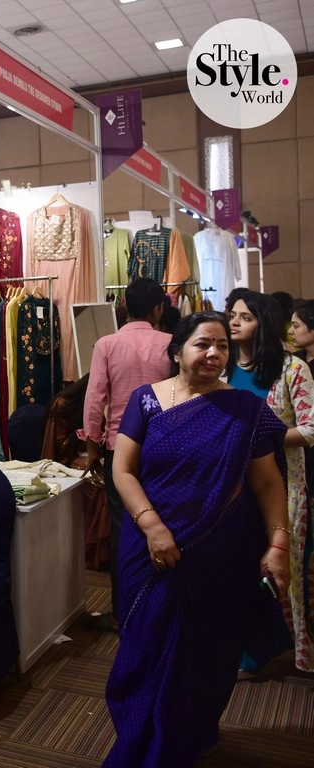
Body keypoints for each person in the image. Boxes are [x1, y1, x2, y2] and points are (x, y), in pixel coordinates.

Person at [103, 312, 290, 767]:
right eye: (203, 343)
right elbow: (122, 470)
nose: (214, 353)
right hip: (151, 549)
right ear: (177, 352)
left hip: (221, 552)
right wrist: (153, 527)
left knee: (210, 650)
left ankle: (192, 732)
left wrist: (278, 546)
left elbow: (268, 484)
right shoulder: (147, 400)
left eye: (222, 346)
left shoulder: (246, 410)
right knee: (146, 645)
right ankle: (144, 740)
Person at [228, 291, 314, 673]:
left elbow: (310, 429)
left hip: (282, 487)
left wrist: (262, 440)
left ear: (263, 323)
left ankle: (285, 646)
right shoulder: (222, 368)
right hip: (232, 488)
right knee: (239, 569)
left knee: (281, 572)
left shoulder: (292, 369)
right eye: (232, 315)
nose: (234, 322)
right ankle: (246, 651)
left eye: (245, 317)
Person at [79, 278, 172, 632]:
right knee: (163, 523)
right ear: (158, 309)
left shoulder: (107, 344)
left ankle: (122, 613)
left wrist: (92, 447)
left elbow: (94, 399)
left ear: (123, 308)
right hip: (163, 447)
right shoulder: (171, 344)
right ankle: (163, 608)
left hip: (120, 450)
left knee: (122, 530)